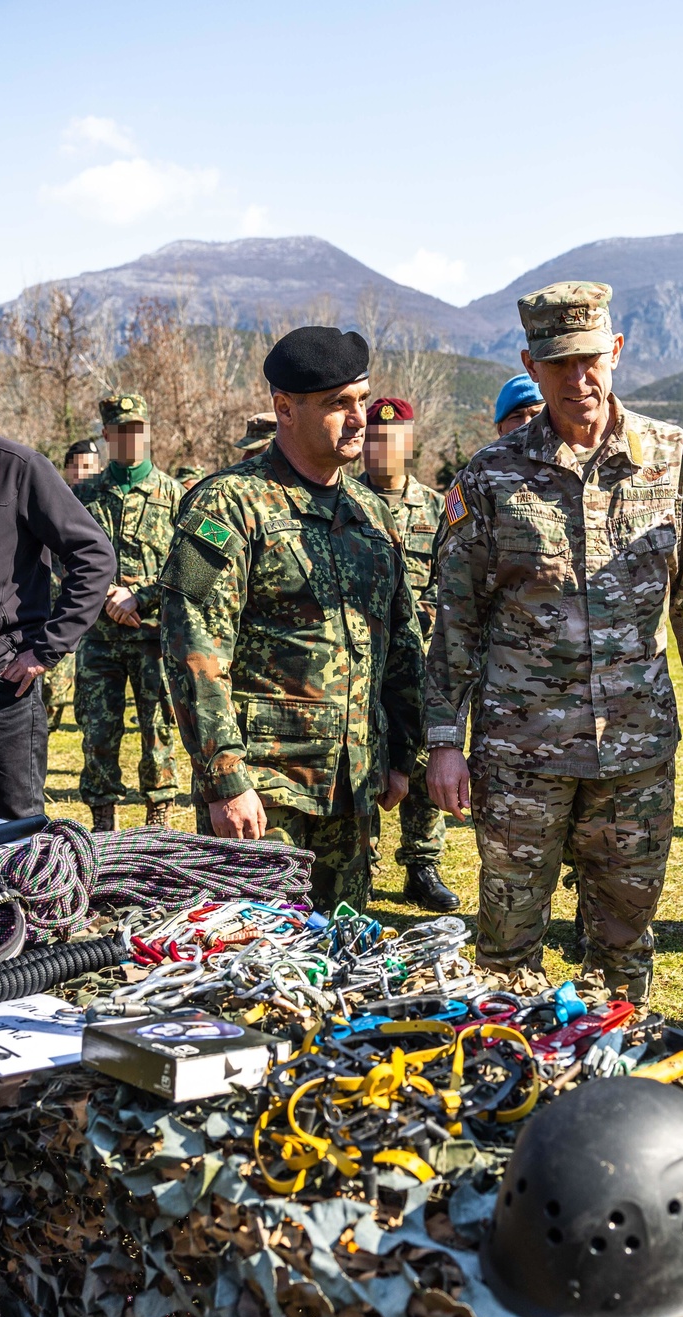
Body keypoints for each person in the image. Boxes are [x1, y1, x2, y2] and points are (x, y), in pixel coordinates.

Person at [426, 281, 683, 997]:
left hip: (635, 752)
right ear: (532, 364)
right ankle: (512, 1093)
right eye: (559, 363)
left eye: (591, 358)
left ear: (616, 352)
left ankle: (617, 1089)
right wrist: (444, 738)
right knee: (506, 952)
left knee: (624, 951)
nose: (578, 378)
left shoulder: (673, 458)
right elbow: (457, 617)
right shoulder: (493, 476)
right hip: (521, 754)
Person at [161, 326, 425, 916]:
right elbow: (193, 650)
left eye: (362, 399)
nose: (359, 419)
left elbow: (400, 642)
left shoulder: (370, 513)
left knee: (338, 965)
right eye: (339, 404)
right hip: (266, 792)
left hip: (352, 786)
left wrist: (402, 756)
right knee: (249, 961)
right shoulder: (229, 505)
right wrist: (225, 778)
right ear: (285, 409)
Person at [0, 406, 113, 818]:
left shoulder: (17, 468)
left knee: (17, 835)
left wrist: (47, 648)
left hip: (0, 684)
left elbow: (93, 555)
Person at [359, 396, 459, 912]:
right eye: (376, 439)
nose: (384, 448)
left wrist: (423, 612)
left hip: (421, 663)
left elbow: (452, 580)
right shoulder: (347, 501)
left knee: (422, 760)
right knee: (364, 758)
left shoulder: (437, 507)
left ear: (410, 443)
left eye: (394, 439)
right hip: (361, 662)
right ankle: (360, 859)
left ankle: (422, 864)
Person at [73, 394, 185, 831]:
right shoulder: (82, 495)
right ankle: (103, 825)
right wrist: (105, 597)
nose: (129, 438)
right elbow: (64, 558)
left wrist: (140, 596)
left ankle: (158, 820)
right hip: (98, 638)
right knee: (98, 732)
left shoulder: (173, 494)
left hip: (154, 638)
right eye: (120, 431)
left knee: (159, 731)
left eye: (136, 430)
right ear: (106, 436)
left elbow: (187, 565)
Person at [44, 439, 105, 731]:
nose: (82, 473)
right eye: (77, 467)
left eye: (89, 467)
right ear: (66, 470)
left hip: (95, 609)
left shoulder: (103, 504)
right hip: (51, 605)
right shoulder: (49, 502)